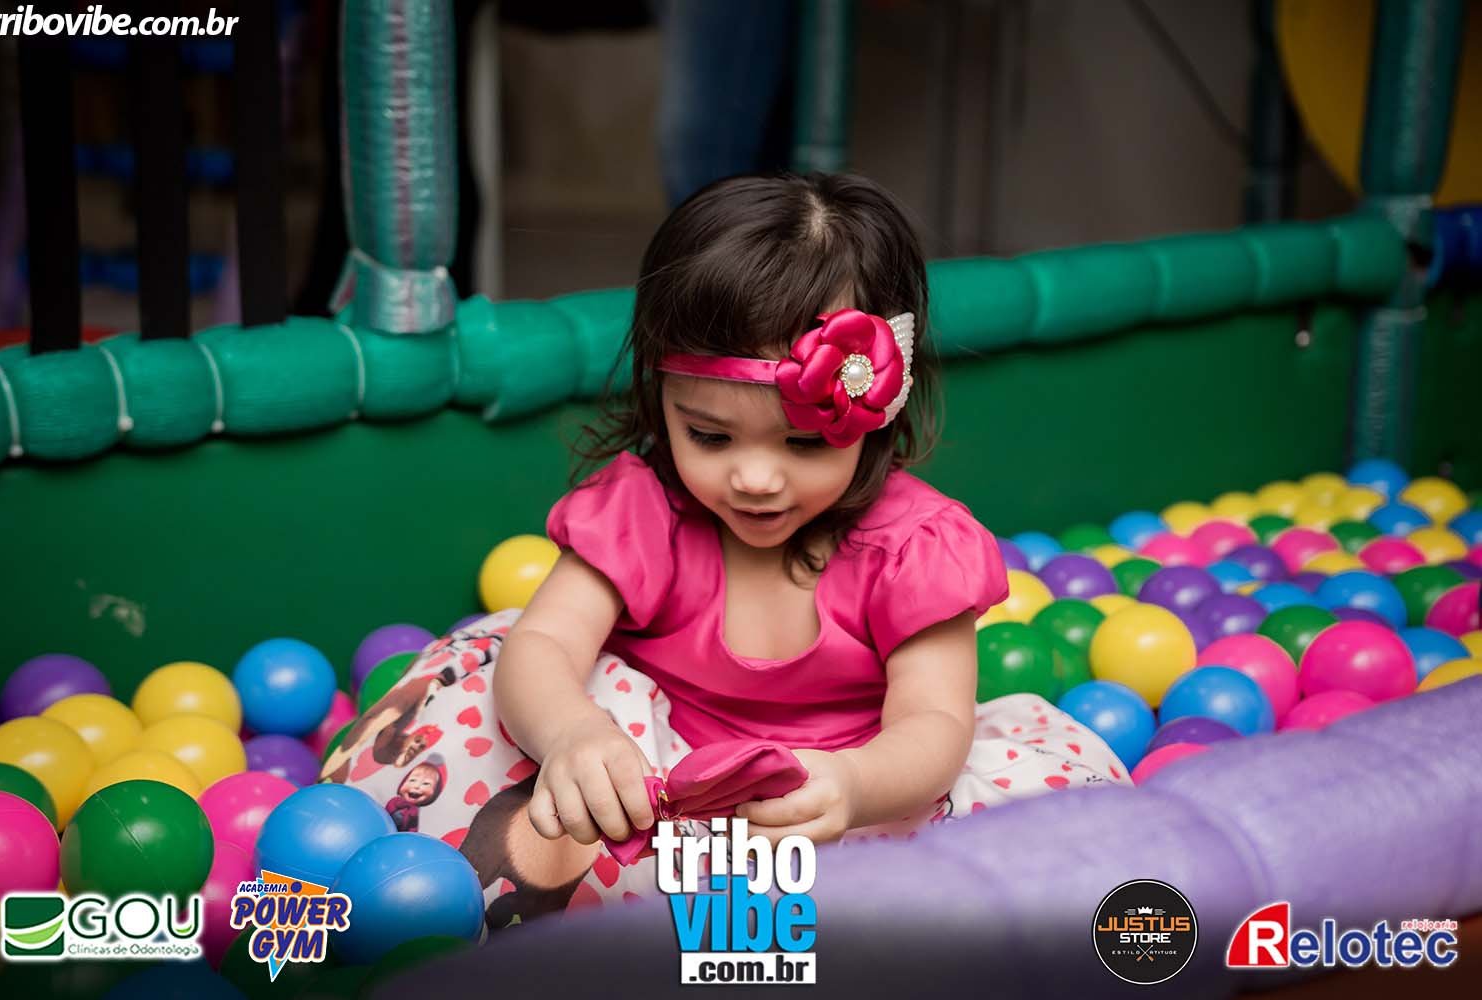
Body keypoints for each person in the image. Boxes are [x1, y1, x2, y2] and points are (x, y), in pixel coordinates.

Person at [323, 173, 1129, 933]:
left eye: (804, 443)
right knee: (512, 741)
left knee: (1005, 885)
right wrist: (573, 734)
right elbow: (544, 645)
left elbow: (934, 722)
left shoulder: (911, 547)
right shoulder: (645, 512)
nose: (754, 479)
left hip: (839, 802)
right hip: (645, 781)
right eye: (709, 435)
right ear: (661, 397)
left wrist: (855, 785)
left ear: (879, 410)